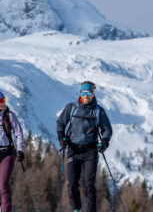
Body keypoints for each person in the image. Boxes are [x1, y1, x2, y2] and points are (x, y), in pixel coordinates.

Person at [56, 81, 113, 212]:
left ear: (93, 94)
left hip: (90, 152)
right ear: (80, 93)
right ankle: (77, 209)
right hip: (73, 150)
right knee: (72, 185)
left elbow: (107, 129)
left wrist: (104, 142)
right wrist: (61, 138)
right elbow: (60, 123)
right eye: (83, 93)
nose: (85, 96)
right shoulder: (72, 108)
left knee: (89, 185)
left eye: (88, 93)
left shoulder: (98, 111)